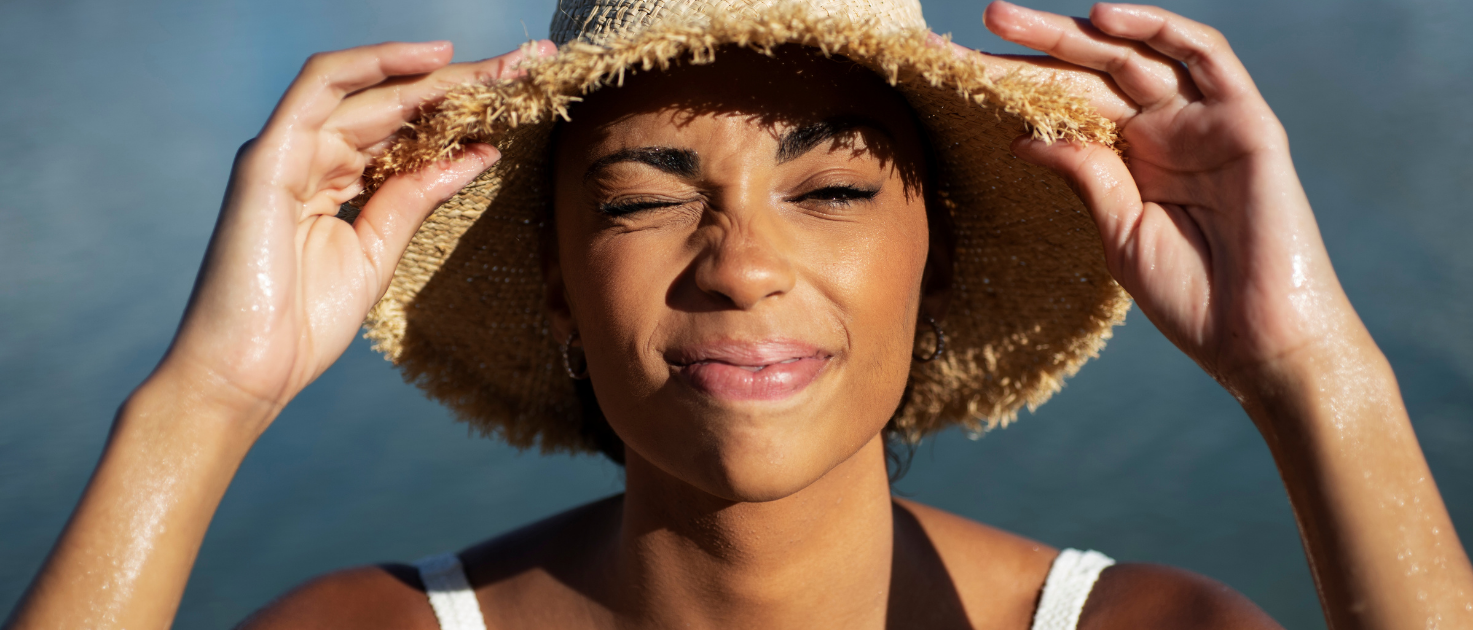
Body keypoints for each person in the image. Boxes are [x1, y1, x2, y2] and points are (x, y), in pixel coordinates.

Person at [5, 0, 1470, 628]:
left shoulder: (1139, 628)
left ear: (933, 257)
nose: (740, 263)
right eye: (647, 195)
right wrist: (205, 401)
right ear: (562, 280)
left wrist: (1311, 371)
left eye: (829, 190)